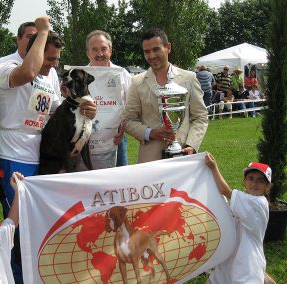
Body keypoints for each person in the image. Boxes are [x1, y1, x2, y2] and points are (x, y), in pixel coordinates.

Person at [0, 17, 96, 283]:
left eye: (56, 60)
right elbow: (27, 73)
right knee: (15, 227)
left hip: (39, 155)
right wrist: (43, 31)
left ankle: (35, 273)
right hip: (12, 156)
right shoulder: (7, 68)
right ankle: (15, 277)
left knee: (36, 222)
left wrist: (86, 108)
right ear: (34, 49)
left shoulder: (49, 75)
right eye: (49, 59)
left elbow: (53, 109)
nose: (53, 66)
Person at [123, 28, 208, 163]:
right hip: (149, 159)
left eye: (156, 49)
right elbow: (128, 121)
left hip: (182, 155)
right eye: (147, 52)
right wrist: (151, 133)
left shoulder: (189, 78)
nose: (151, 56)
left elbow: (200, 117)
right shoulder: (137, 82)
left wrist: (191, 145)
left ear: (168, 47)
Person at [205, 153, 276, 284]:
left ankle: (262, 277)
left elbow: (225, 191)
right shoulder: (246, 198)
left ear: (267, 187)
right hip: (233, 251)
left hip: (247, 258)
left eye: (261, 180)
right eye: (250, 178)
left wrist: (213, 167)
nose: (254, 183)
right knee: (220, 277)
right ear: (244, 181)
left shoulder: (259, 203)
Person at [84, 30, 132, 168]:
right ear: (88, 53)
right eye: (94, 50)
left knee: (120, 181)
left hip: (116, 139)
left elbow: (131, 107)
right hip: (86, 141)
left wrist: (124, 127)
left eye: (104, 49)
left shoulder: (123, 75)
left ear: (110, 50)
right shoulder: (79, 76)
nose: (99, 54)